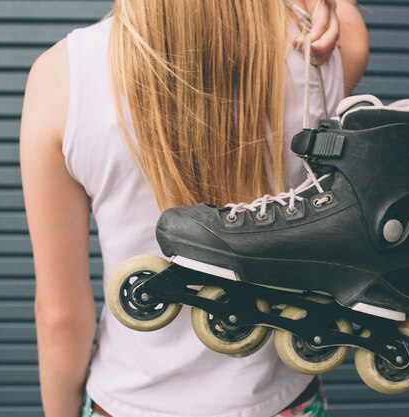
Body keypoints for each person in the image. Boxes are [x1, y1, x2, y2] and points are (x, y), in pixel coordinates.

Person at [20, 1, 368, 416]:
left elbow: (61, 317)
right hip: (279, 399)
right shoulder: (321, 44)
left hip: (129, 400)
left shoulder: (61, 76)